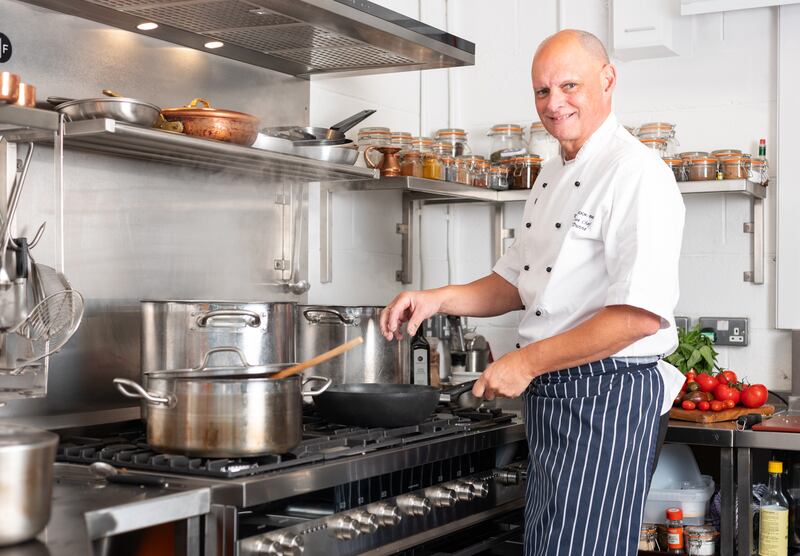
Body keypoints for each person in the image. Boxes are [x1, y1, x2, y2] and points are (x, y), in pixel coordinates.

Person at [379, 29, 686, 555]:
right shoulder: (551, 174)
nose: (554, 103)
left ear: (608, 80)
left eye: (569, 86)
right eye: (542, 91)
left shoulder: (637, 173)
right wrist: (437, 299)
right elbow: (516, 282)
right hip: (555, 396)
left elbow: (637, 317)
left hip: (606, 397)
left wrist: (527, 362)